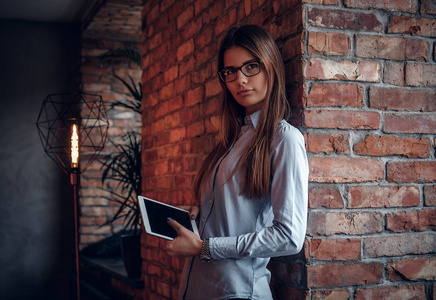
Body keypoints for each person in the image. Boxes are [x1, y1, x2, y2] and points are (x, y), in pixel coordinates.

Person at [165, 24, 308, 300]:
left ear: (270, 66)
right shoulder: (231, 140)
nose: (240, 80)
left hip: (237, 291)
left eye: (251, 67)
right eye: (230, 72)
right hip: (197, 288)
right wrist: (203, 212)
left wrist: (205, 247)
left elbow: (289, 237)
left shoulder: (284, 139)